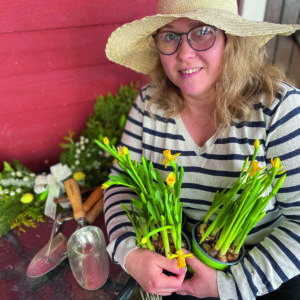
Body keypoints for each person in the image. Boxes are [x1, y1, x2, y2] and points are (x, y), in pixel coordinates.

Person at [103, 0, 300, 299]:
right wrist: (130, 255)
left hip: (262, 277)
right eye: (170, 36)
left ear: (230, 40)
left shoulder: (279, 108)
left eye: (203, 32)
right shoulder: (149, 104)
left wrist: (229, 286)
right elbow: (121, 186)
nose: (184, 54)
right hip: (171, 273)